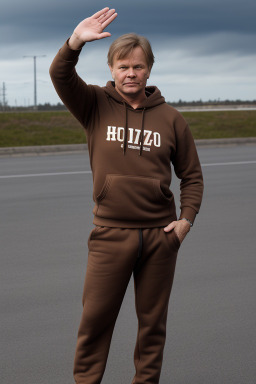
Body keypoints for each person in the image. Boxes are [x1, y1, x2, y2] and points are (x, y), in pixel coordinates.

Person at [49, 7, 204, 384]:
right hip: (110, 235)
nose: (130, 73)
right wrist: (74, 42)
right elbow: (60, 74)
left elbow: (192, 177)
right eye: (122, 67)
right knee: (95, 322)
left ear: (148, 69)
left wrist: (185, 221)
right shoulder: (93, 106)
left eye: (137, 66)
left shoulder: (171, 119)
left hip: (159, 237)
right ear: (111, 70)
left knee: (153, 327)